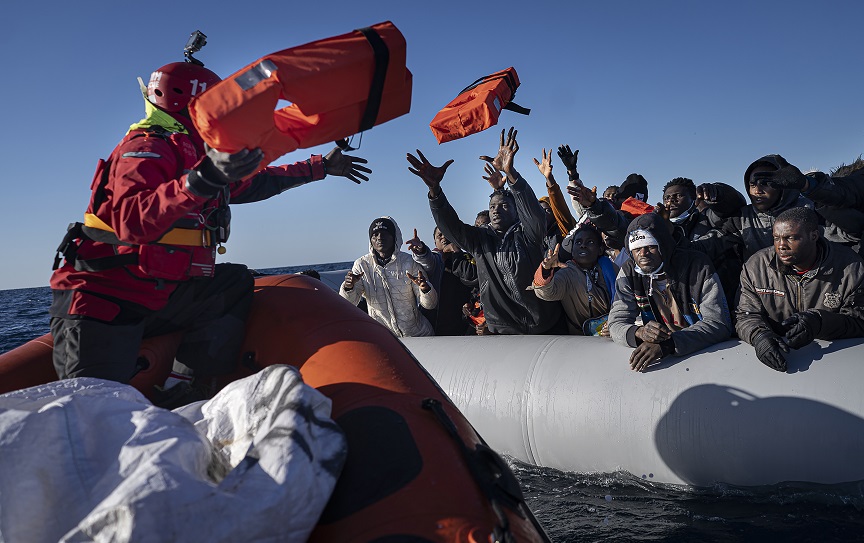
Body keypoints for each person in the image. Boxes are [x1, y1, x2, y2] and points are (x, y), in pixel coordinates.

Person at [49, 56, 371, 402]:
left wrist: (319, 166)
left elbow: (252, 184)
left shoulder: (195, 154)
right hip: (108, 299)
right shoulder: (146, 146)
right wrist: (200, 181)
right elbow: (131, 218)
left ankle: (190, 388)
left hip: (161, 293)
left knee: (232, 283)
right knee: (92, 413)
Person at [407, 127, 563, 335]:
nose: (496, 211)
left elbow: (534, 215)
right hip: (503, 329)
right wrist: (435, 191)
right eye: (492, 207)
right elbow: (452, 227)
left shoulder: (528, 236)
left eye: (504, 206)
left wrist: (511, 173)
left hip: (543, 324)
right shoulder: (480, 241)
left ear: (516, 212)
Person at [736, 207, 864, 372]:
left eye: (791, 238)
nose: (781, 246)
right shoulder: (755, 267)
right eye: (776, 238)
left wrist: (819, 323)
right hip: (779, 364)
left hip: (833, 365)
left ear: (814, 236)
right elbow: (745, 315)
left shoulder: (851, 268)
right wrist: (759, 336)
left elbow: (859, 322)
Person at [608, 212, 733, 371]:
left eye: (651, 246)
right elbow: (616, 323)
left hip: (703, 352)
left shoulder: (697, 265)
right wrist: (638, 333)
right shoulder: (628, 272)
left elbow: (719, 323)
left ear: (664, 244)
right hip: (665, 359)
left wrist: (669, 344)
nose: (643, 254)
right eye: (637, 249)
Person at [340, 216, 438, 337]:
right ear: (370, 239)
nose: (380, 237)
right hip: (385, 339)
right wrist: (348, 287)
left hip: (418, 335)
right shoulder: (362, 265)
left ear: (394, 237)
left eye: (384, 233)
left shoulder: (409, 262)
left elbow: (430, 304)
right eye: (375, 234)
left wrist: (425, 289)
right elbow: (348, 304)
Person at [531, 225, 619, 335]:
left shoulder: (611, 268)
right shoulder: (567, 272)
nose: (583, 246)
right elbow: (547, 293)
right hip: (581, 338)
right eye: (578, 242)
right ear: (572, 251)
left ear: (600, 249)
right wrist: (546, 270)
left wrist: (616, 324)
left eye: (590, 242)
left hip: (614, 332)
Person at [407, 226, 478, 335]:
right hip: (434, 324)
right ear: (435, 242)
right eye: (439, 235)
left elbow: (472, 279)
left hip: (462, 325)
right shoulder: (435, 259)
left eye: (447, 233)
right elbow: (426, 260)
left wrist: (456, 251)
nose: (444, 237)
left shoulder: (467, 258)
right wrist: (421, 250)